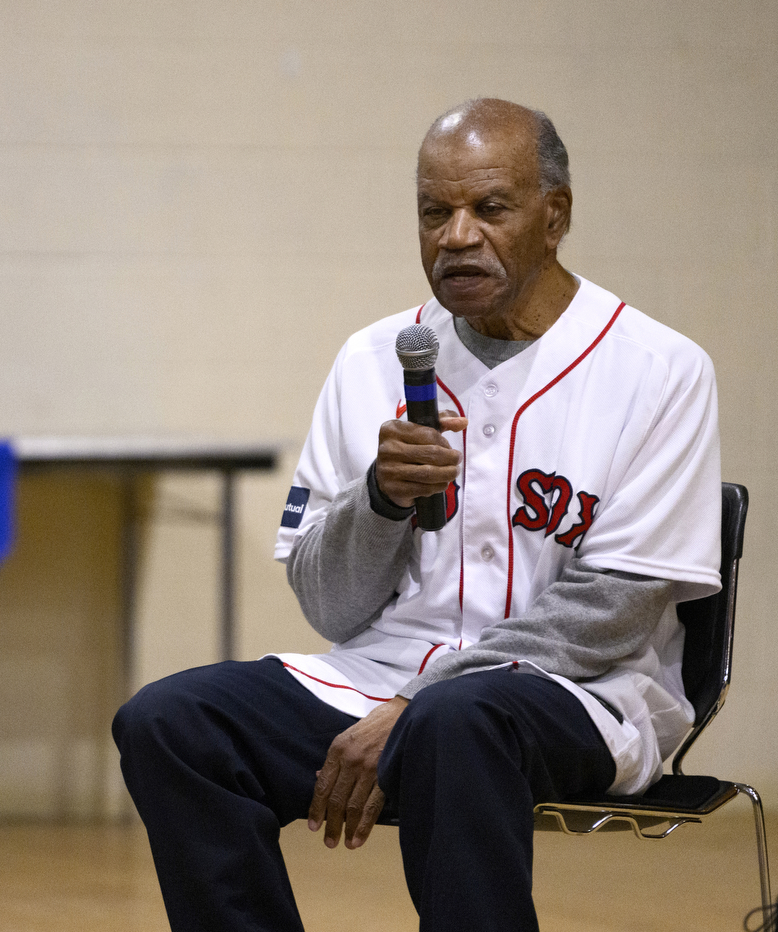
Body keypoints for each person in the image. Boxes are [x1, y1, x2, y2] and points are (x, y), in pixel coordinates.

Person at [113, 98, 721, 931]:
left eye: (489, 208)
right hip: (384, 680)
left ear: (556, 216)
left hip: (577, 694)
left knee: (456, 720)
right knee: (171, 722)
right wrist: (381, 501)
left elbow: (611, 615)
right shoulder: (373, 358)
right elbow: (329, 608)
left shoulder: (659, 369)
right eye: (435, 212)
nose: (456, 235)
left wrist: (415, 704)